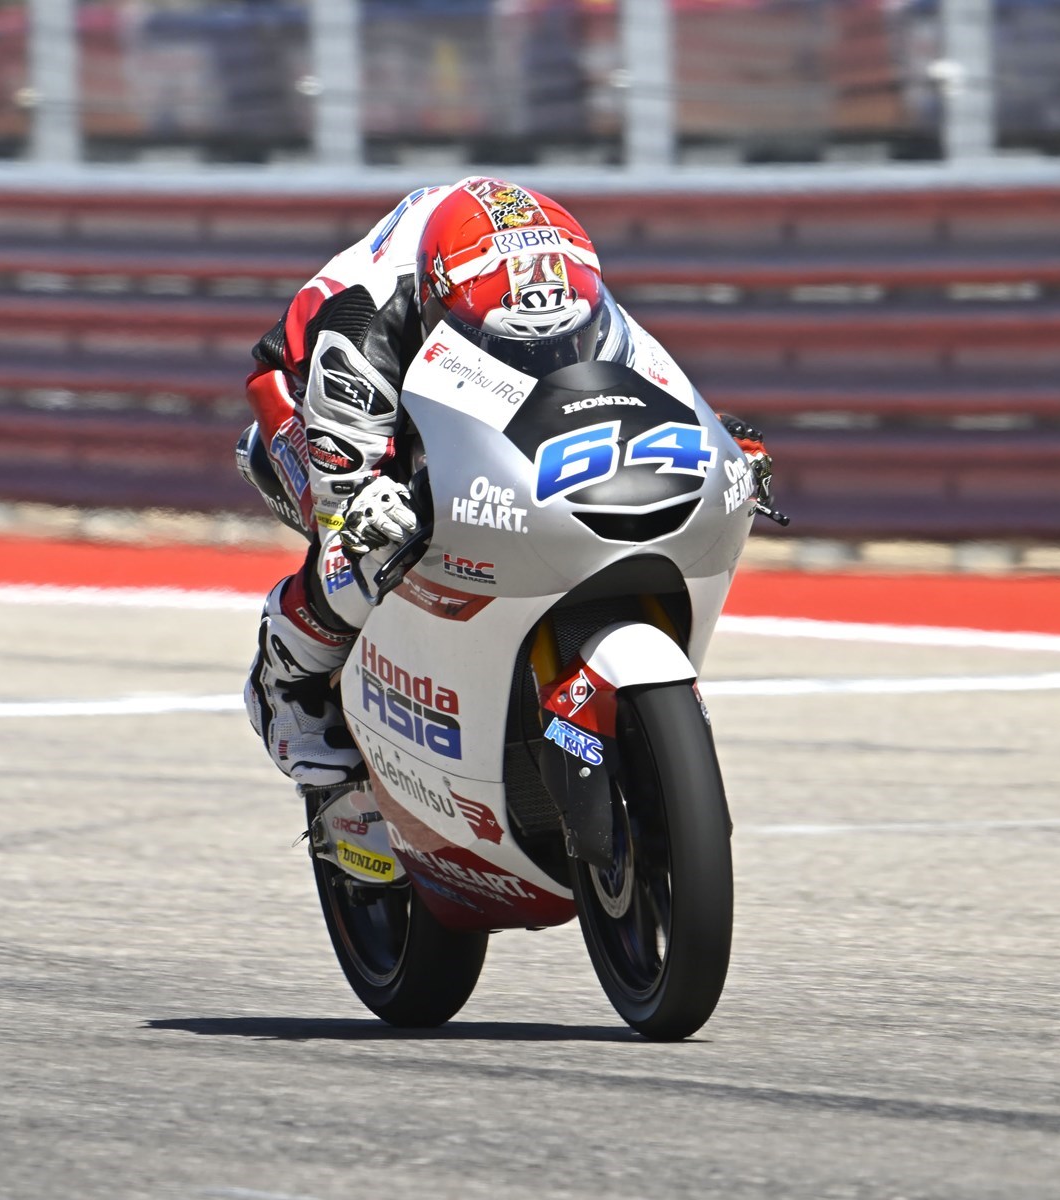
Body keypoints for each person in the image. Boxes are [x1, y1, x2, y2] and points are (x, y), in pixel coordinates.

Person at [241, 177, 774, 788]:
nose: (542, 357)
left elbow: (656, 398)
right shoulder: (364, 333)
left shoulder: (580, 300)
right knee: (365, 546)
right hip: (309, 398)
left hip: (483, 335)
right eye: (508, 345)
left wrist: (724, 444)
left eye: (564, 341)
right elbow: (346, 506)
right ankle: (286, 679)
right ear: (438, 309)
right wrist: (367, 501)